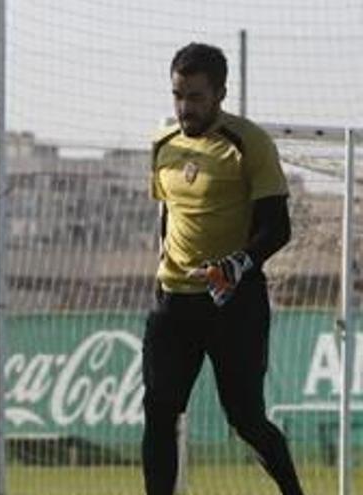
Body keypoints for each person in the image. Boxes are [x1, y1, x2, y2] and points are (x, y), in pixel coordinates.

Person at [143, 42, 305, 495]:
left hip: (234, 304)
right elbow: (168, 216)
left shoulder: (249, 142)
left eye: (195, 96)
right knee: (158, 409)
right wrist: (167, 272)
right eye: (177, 95)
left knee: (247, 419)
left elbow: (278, 228)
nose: (184, 107)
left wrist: (234, 266)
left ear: (220, 94)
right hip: (173, 302)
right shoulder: (162, 144)